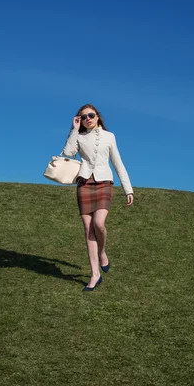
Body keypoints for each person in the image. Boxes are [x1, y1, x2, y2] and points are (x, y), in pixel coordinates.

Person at [62, 104, 134, 291]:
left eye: (91, 115)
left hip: (104, 184)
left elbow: (118, 162)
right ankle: (95, 274)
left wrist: (128, 189)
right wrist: (74, 130)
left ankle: (103, 252)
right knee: (88, 229)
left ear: (98, 117)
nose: (88, 119)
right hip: (84, 184)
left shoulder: (109, 137)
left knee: (99, 224)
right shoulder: (79, 135)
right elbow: (69, 153)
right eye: (83, 117)